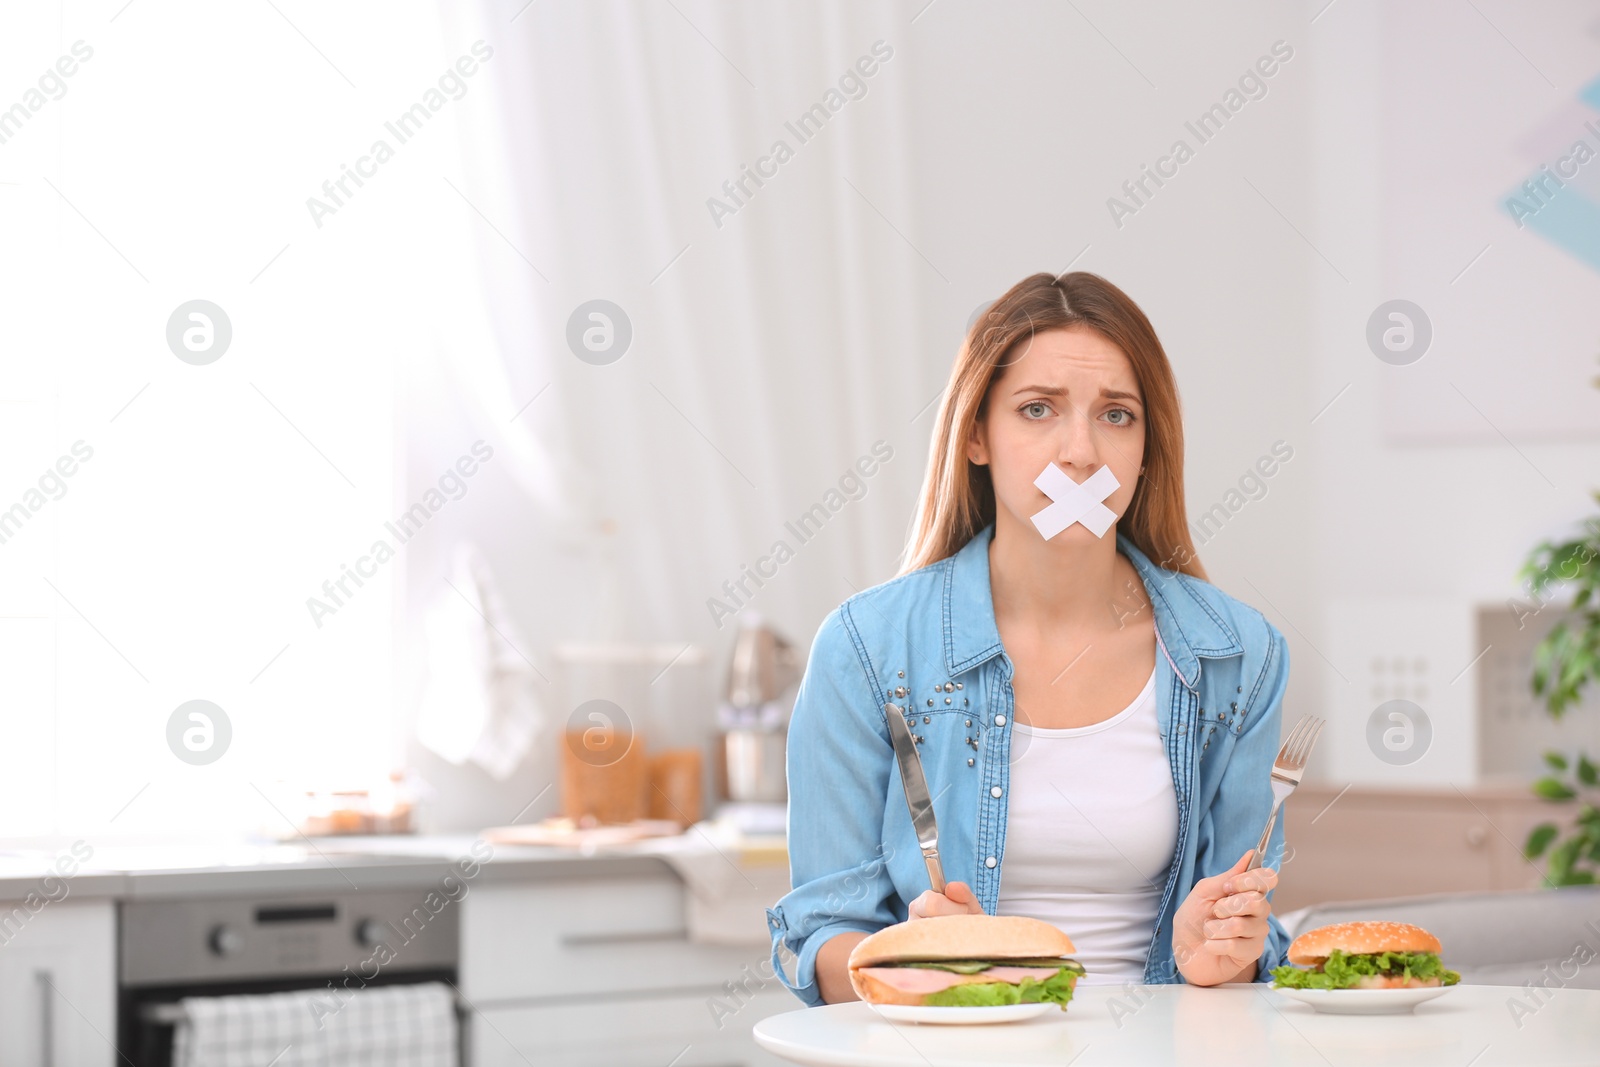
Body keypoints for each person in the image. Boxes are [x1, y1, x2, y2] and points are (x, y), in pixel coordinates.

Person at [765, 271, 1290, 1006]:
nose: (1079, 451)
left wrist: (1227, 955)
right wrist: (905, 963)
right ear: (977, 434)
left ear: (1147, 447)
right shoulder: (864, 647)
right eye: (1037, 409)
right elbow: (817, 933)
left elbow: (1248, 939)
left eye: (1116, 415)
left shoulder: (1238, 653)